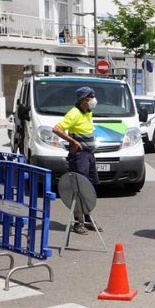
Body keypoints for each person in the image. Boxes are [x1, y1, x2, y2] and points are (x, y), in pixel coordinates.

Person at [52, 86, 101, 235]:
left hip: (89, 155)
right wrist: (73, 142)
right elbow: (56, 129)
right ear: (83, 100)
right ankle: (78, 223)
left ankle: (87, 219)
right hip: (79, 156)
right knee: (79, 188)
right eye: (91, 97)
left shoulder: (88, 112)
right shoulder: (74, 113)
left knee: (89, 187)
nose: (94, 100)